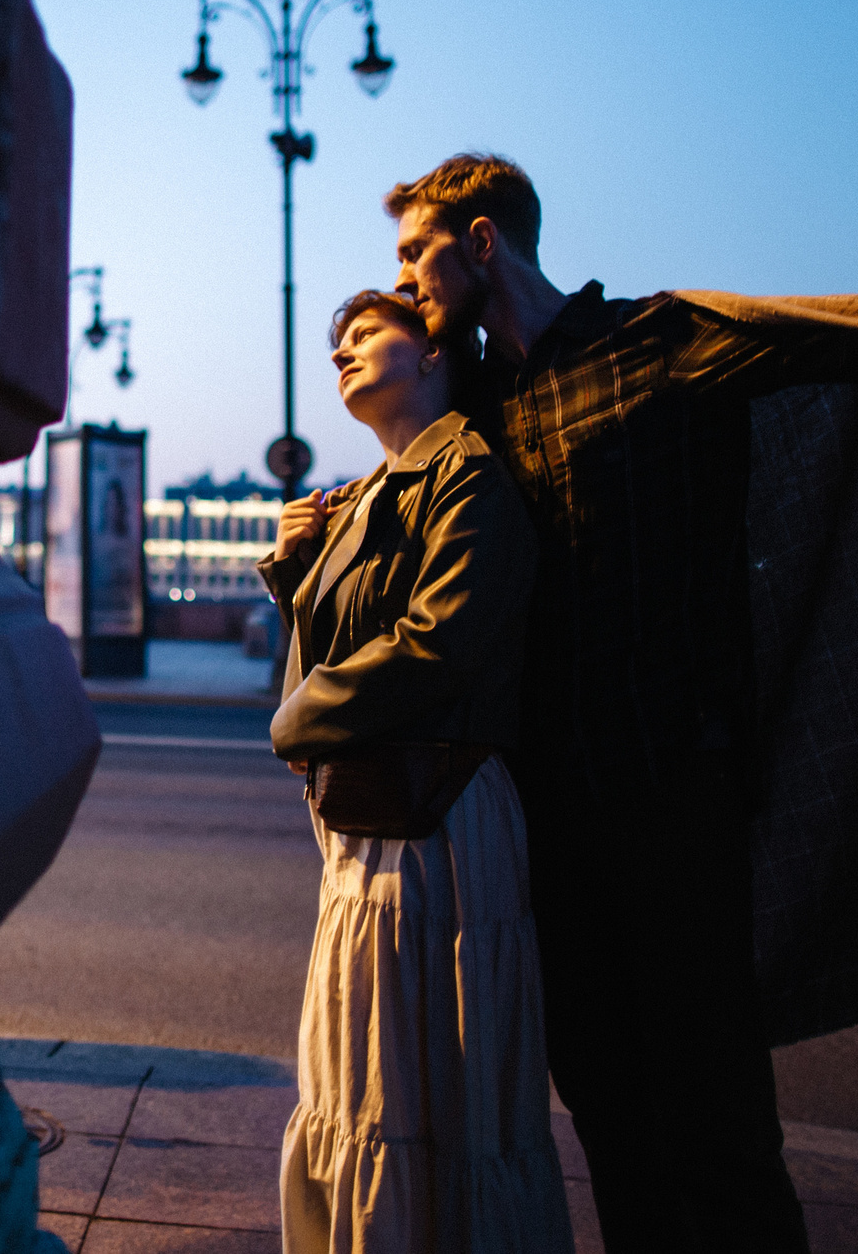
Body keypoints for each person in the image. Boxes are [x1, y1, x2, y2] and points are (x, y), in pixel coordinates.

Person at [383, 152, 858, 1254]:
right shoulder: (477, 411)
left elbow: (846, 329)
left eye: (415, 249)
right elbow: (406, 517)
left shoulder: (659, 340)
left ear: (483, 239)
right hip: (549, 820)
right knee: (606, 1108)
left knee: (717, 1125)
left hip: (675, 808)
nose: (404, 275)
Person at [260, 288, 572, 1254]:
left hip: (441, 823)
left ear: (433, 350)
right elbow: (331, 657)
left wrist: (294, 721)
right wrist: (292, 575)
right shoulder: (364, 495)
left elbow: (438, 642)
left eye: (365, 334)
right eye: (335, 345)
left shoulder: (469, 476)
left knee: (426, 1080)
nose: (342, 353)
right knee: (366, 1073)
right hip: (372, 827)